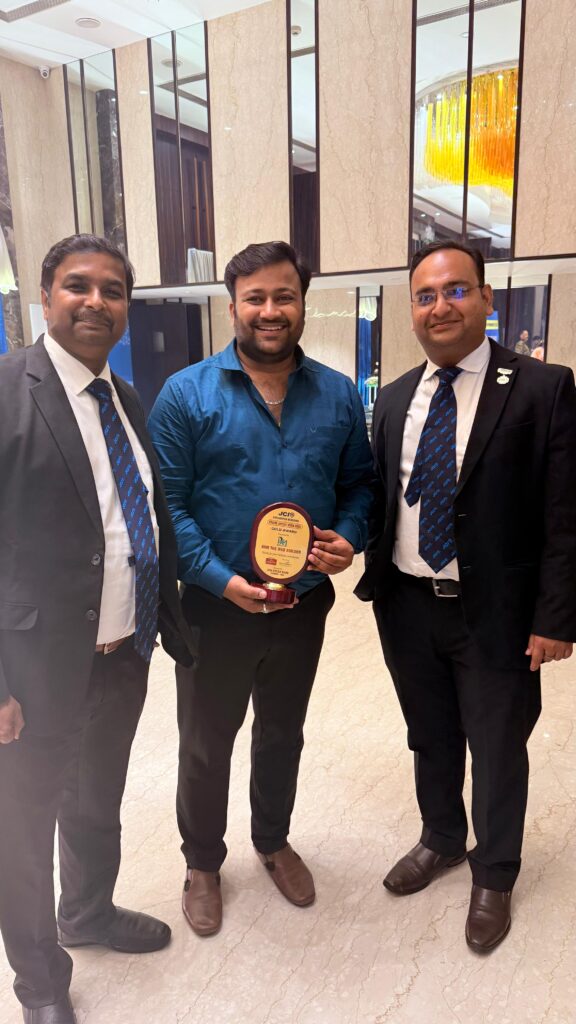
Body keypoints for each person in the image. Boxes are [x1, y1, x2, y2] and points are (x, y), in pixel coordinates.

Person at [355, 240, 576, 953]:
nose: (440, 306)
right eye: (425, 295)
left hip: (498, 615)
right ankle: (443, 837)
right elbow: (381, 499)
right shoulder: (394, 399)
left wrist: (555, 616)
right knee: (430, 734)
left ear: (486, 298)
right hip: (407, 605)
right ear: (411, 310)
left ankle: (495, 871)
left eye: (455, 290)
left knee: (498, 745)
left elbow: (565, 514)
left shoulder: (542, 387)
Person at [148, 240, 373, 937]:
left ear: (302, 303)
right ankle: (201, 862)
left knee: (283, 732)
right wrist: (221, 580)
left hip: (302, 605)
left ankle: (272, 841)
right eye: (256, 298)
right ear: (233, 307)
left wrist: (348, 537)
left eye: (284, 296)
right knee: (205, 742)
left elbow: (360, 486)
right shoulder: (185, 394)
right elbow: (168, 506)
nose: (270, 310)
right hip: (213, 610)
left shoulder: (337, 393)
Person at [0, 234, 196, 1024]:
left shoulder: (126, 399)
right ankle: (41, 981)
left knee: (94, 803)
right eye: (78, 285)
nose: (95, 302)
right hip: (33, 672)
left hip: (121, 657)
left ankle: (87, 913)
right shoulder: (8, 391)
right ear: (46, 294)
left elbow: (135, 518)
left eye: (113, 291)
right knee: (21, 833)